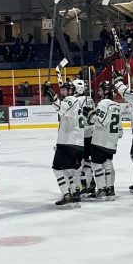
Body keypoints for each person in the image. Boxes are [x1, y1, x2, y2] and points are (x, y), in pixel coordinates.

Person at [47, 79, 87, 208]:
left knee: (57, 169)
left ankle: (66, 195)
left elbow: (61, 109)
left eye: (64, 90)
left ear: (70, 91)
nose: (62, 92)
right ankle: (75, 193)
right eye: (62, 90)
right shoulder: (77, 102)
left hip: (68, 142)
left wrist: (53, 97)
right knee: (71, 170)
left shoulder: (71, 100)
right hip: (77, 142)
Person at [88, 81, 123, 201]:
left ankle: (102, 189)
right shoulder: (117, 105)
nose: (99, 92)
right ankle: (110, 189)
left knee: (96, 164)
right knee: (108, 164)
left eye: (101, 90)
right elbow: (120, 129)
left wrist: (90, 114)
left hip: (100, 139)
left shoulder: (103, 103)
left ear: (106, 91)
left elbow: (99, 121)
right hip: (112, 140)